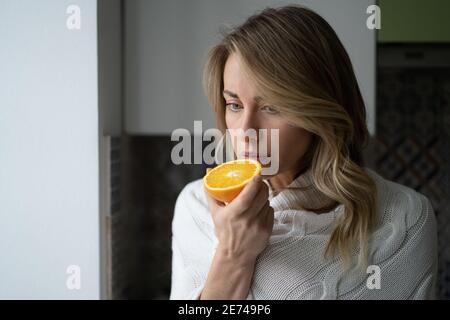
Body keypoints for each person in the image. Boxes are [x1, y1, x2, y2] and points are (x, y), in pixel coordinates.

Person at [169, 5, 438, 300]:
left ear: (320, 113)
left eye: (272, 106)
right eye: (235, 105)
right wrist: (233, 255)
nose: (245, 131)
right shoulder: (195, 207)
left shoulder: (405, 217)